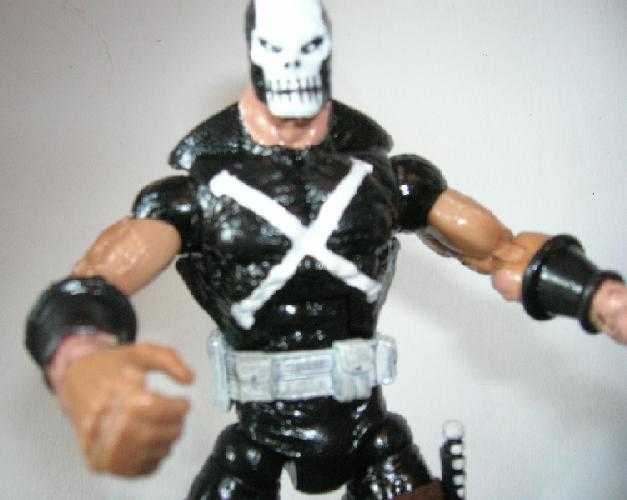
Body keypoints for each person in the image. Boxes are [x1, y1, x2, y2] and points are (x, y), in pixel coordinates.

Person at [25, 1, 627, 499]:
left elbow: (504, 254)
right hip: (259, 432)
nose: (293, 68)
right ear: (257, 55)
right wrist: (79, 358)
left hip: (366, 424)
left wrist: (600, 297)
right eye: (279, 51)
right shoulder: (198, 194)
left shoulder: (388, 180)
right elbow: (96, 281)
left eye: (306, 50)